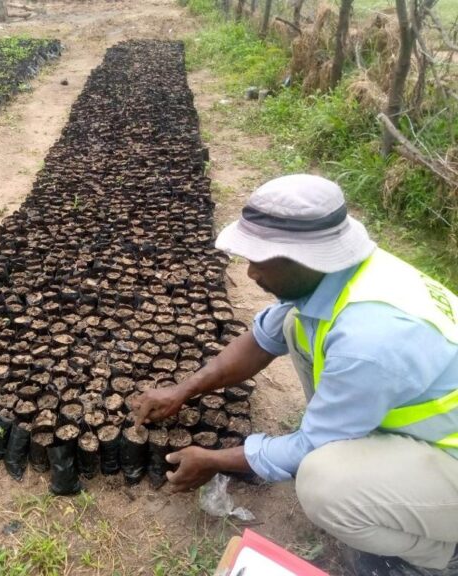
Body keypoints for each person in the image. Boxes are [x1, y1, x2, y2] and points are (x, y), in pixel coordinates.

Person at [132, 174, 458, 576]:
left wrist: (214, 460)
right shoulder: (345, 278)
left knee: (324, 484)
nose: (250, 273)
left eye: (260, 260)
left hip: (449, 457)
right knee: (292, 328)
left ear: (307, 259)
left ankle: (441, 556)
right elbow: (260, 339)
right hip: (427, 429)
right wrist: (184, 389)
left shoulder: (368, 338)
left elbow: (309, 448)